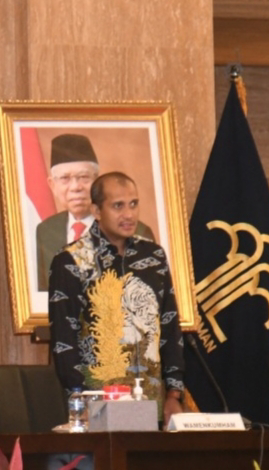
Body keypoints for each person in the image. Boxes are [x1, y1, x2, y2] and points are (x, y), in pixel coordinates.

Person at [48, 171, 185, 425]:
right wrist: (80, 400)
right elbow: (64, 342)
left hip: (153, 403)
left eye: (133, 204)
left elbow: (170, 326)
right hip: (98, 406)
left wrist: (174, 393)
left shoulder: (153, 256)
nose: (129, 214)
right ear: (96, 211)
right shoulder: (71, 260)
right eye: (118, 206)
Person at [35, 134, 153, 290]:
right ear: (52, 185)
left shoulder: (137, 232)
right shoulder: (45, 231)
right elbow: (42, 294)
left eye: (83, 177)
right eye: (65, 178)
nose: (75, 187)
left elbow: (149, 294)